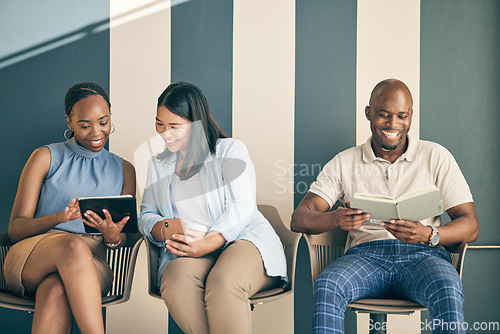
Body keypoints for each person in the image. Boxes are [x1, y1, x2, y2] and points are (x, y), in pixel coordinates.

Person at [291, 79, 479, 334]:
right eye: (384, 115)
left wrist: (430, 234)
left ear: (411, 116)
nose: (393, 124)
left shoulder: (437, 156)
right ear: (368, 113)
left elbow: (470, 225)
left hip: (423, 256)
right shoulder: (344, 162)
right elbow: (300, 218)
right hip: (364, 258)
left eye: (402, 116)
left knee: (447, 285)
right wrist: (335, 219)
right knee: (329, 284)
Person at [139, 81, 287, 334]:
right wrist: (162, 228)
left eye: (175, 126)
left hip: (241, 241)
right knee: (175, 280)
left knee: (224, 281)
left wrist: (206, 244)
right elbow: (146, 214)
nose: (165, 134)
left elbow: (242, 207)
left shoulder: (229, 151)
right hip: (192, 251)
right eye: (159, 124)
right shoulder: (158, 165)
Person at [4, 82, 136, 334]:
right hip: (33, 255)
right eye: (85, 125)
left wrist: (112, 237)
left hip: (92, 263)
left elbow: (123, 237)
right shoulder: (45, 157)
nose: (96, 132)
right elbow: (16, 230)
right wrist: (59, 217)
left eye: (104, 122)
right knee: (72, 246)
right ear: (69, 122)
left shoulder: (124, 169)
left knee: (56, 288)